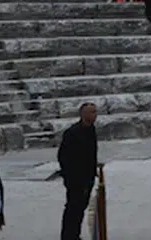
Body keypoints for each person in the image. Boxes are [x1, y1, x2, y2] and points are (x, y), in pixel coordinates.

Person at [57, 103, 98, 240]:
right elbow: (63, 156)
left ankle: (75, 234)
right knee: (73, 208)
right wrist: (70, 177)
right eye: (91, 112)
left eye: (95, 112)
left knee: (81, 207)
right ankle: (68, 236)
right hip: (75, 179)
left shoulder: (91, 130)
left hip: (88, 177)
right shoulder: (72, 133)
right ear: (83, 114)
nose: (95, 115)